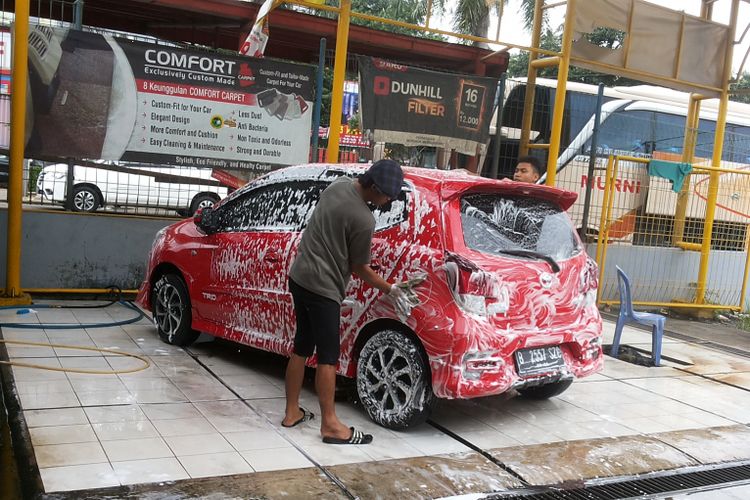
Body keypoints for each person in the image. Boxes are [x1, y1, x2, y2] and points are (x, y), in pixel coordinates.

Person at [282, 159, 412, 445]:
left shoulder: (338, 185)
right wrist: (392, 289)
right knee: (329, 357)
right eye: (387, 195)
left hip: (300, 277)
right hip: (323, 288)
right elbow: (360, 268)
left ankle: (292, 412)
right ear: (375, 188)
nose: (389, 200)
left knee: (302, 345)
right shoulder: (364, 220)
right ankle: (330, 425)